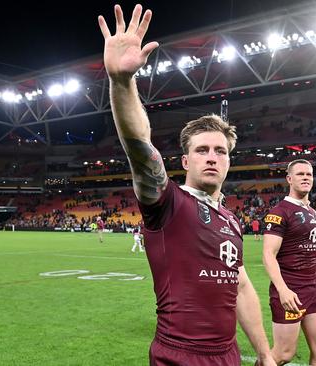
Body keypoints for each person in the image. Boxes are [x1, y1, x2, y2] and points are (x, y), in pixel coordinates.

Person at [97, 5, 275, 365]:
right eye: (202, 150)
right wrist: (121, 82)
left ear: (228, 161)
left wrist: (264, 353)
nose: (212, 157)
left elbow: (240, 286)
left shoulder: (231, 221)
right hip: (179, 356)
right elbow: (138, 144)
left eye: (220, 151)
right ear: (185, 161)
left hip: (229, 355)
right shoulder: (167, 202)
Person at [262, 159, 316, 366]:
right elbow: (268, 255)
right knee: (284, 354)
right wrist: (282, 290)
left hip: (314, 289)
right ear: (289, 179)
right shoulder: (280, 212)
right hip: (291, 289)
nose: (306, 177)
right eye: (300, 174)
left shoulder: (313, 213)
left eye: (309, 174)